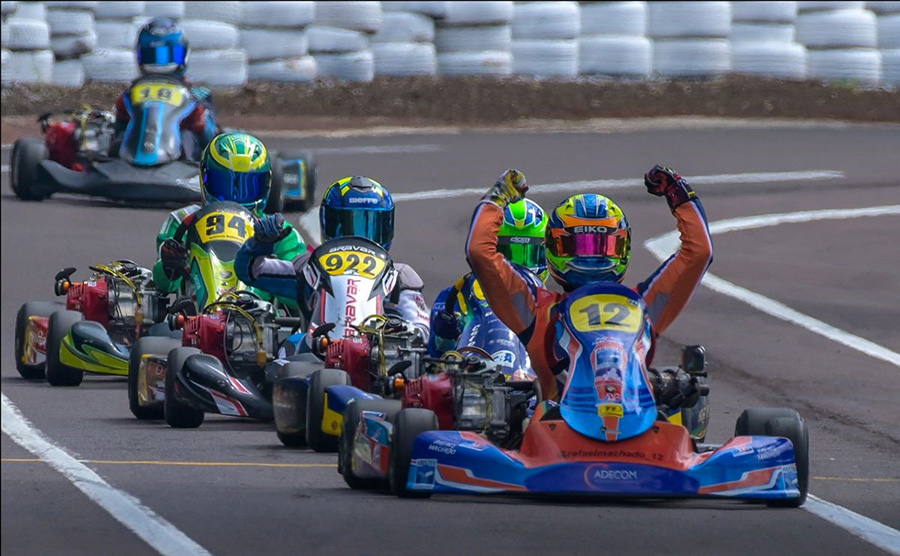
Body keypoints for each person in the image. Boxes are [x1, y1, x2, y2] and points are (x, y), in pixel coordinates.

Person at [465, 167, 713, 401]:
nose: (592, 257)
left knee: (684, 402)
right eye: (580, 247)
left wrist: (679, 192)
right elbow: (480, 254)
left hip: (637, 429)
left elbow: (699, 254)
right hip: (556, 434)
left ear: (623, 249)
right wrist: (681, 198)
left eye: (603, 246)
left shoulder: (641, 307)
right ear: (552, 249)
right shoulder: (537, 311)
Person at [235, 176, 430, 339]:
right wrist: (260, 243)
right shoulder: (310, 268)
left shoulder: (398, 277)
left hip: (377, 362)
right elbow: (249, 269)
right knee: (286, 347)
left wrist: (402, 328)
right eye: (348, 226)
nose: (359, 239)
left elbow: (421, 330)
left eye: (369, 227)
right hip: (313, 357)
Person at [154, 132, 305, 311]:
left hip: (262, 326)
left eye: (249, 185)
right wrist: (169, 265)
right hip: (191, 321)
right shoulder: (181, 222)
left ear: (266, 184)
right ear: (204, 178)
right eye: (224, 184)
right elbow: (163, 284)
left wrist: (271, 271)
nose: (236, 197)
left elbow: (301, 292)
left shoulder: (281, 233)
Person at [429, 198, 548, 356]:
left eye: (528, 255)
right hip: (475, 375)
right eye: (508, 254)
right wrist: (444, 335)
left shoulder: (555, 305)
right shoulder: (457, 296)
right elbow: (435, 355)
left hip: (532, 376)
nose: (517, 266)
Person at [111, 17, 218, 159]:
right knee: (116, 138)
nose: (160, 64)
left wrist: (198, 120)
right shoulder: (130, 94)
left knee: (192, 135)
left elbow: (210, 134)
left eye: (167, 55)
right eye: (152, 56)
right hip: (132, 155)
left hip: (182, 159)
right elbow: (118, 125)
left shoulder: (197, 95)